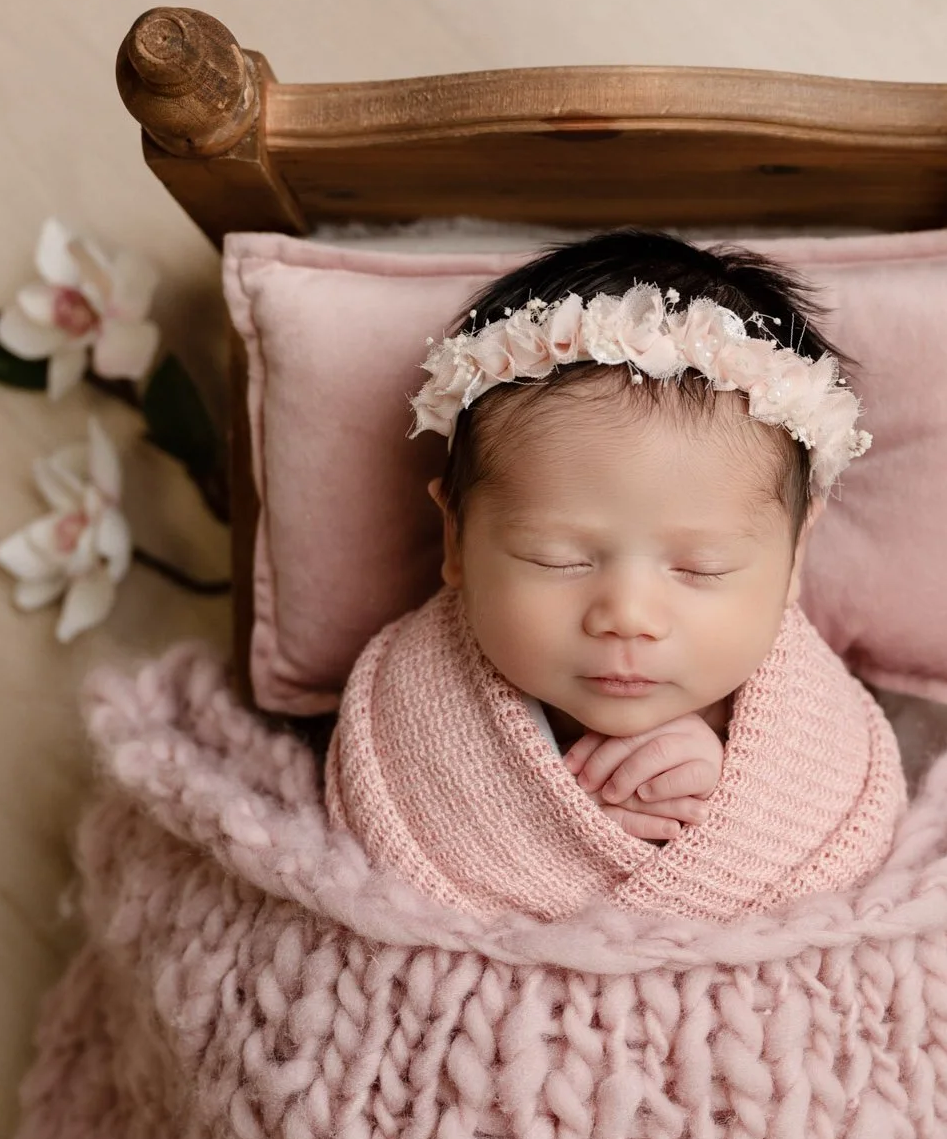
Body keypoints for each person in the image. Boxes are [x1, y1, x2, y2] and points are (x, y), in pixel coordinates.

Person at [325, 229, 904, 918]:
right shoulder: (419, 704)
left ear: (795, 556)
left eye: (700, 566)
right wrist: (552, 828)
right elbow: (389, 840)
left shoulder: (807, 738)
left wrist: (721, 798)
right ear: (455, 537)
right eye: (558, 559)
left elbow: (842, 835)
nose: (627, 615)